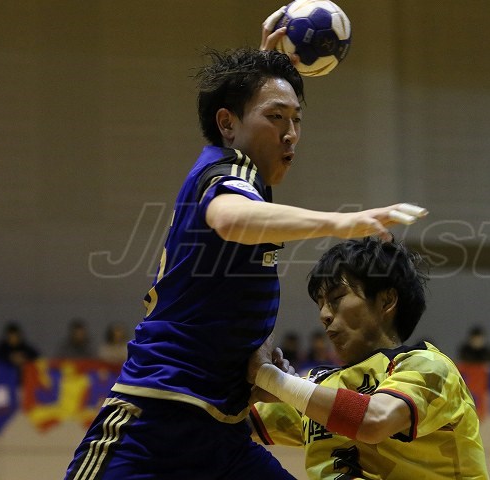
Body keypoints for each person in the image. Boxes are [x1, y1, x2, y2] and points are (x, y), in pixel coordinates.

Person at [64, 22, 428, 480]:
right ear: (226, 123)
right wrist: (339, 223)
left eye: (296, 119)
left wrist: (263, 65)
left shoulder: (249, 179)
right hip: (155, 424)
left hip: (224, 435)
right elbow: (232, 218)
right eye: (276, 117)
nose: (291, 133)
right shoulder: (224, 173)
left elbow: (242, 120)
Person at [248, 238, 489, 479]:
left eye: (336, 298)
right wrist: (251, 389)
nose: (324, 314)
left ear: (386, 301)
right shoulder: (318, 385)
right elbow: (234, 425)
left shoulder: (429, 366)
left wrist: (270, 378)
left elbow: (375, 420)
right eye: (320, 304)